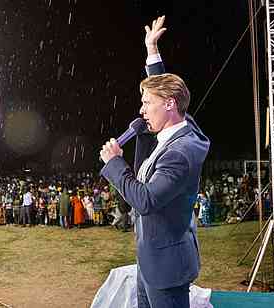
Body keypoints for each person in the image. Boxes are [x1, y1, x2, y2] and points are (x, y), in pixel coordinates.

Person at [99, 16, 208, 308]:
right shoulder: (183, 124)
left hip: (166, 269)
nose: (142, 109)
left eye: (147, 103)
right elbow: (166, 90)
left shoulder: (180, 152)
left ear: (169, 105)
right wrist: (152, 50)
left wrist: (114, 164)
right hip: (152, 259)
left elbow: (145, 200)